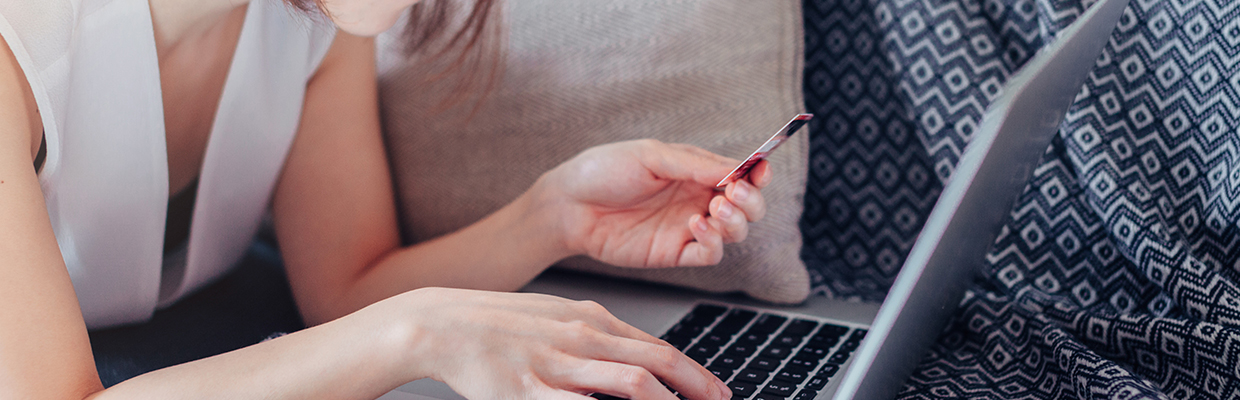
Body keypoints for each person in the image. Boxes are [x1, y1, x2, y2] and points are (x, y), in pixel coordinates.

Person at [0, 0, 774, 398]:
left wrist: (554, 216)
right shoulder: (19, 51)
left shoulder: (316, 20)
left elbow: (347, 282)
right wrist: (417, 332)